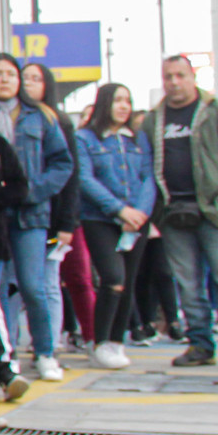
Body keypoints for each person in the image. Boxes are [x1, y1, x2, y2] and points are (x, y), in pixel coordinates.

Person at [142, 55, 218, 371]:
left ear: (193, 77)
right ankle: (200, 345)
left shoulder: (217, 110)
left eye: (180, 75)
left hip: (213, 211)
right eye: (168, 76)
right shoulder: (154, 119)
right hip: (173, 213)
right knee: (187, 284)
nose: (174, 82)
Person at [0, 52, 74, 382]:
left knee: (34, 286)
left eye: (11, 74)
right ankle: (8, 354)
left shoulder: (40, 116)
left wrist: (31, 191)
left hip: (32, 215)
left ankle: (45, 352)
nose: (4, 79)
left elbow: (62, 164)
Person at [73, 81, 155, 370]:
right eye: (118, 100)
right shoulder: (84, 138)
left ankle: (117, 342)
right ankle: (100, 342)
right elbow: (85, 179)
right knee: (113, 278)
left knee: (128, 282)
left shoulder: (138, 139)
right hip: (101, 219)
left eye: (128, 101)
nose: (123, 106)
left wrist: (140, 213)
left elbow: (149, 177)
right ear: (104, 103)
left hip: (137, 222)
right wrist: (119, 210)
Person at [22, 62, 95, 350]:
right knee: (23, 285)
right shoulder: (16, 118)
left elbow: (71, 173)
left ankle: (53, 343)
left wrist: (67, 222)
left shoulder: (57, 121)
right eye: (24, 77)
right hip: (21, 216)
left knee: (54, 282)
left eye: (36, 79)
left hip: (55, 215)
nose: (28, 83)